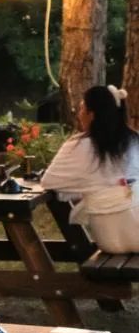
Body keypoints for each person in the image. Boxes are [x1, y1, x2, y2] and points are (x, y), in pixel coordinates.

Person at [40, 85, 139, 252]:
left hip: (111, 240)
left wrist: (88, 187)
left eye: (81, 108)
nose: (79, 114)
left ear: (91, 115)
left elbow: (48, 181)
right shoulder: (134, 140)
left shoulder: (78, 146)